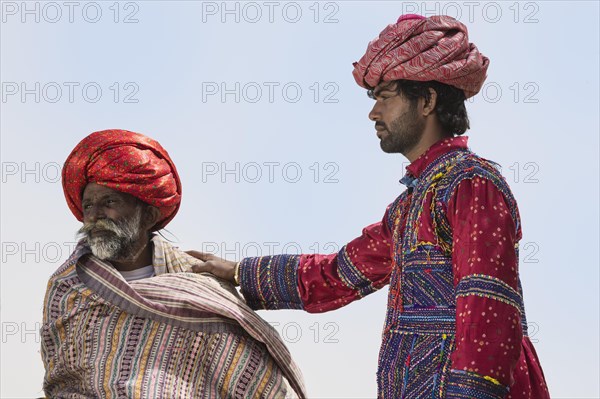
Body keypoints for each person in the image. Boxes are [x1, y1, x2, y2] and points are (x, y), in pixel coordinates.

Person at [189, 14, 550, 398]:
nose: (373, 113)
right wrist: (241, 273)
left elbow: (489, 309)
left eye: (385, 97)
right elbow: (340, 273)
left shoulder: (472, 184)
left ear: (426, 100)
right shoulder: (409, 206)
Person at [41, 129, 306, 398]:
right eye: (88, 206)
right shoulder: (68, 288)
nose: (96, 216)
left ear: (149, 215)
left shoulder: (201, 284)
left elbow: (246, 375)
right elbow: (62, 380)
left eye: (110, 202)